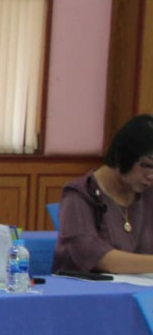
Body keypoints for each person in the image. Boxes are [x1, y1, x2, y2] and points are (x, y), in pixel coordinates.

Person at [55, 114, 153, 275]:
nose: (151, 176)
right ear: (122, 155)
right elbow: (99, 259)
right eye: (147, 165)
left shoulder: (148, 193)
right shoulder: (78, 195)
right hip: (87, 288)